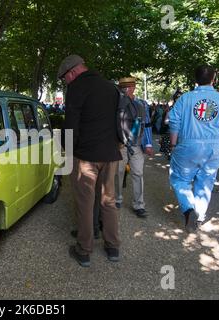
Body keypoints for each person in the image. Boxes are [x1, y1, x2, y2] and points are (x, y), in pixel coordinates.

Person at [58, 54, 122, 266]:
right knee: (108, 201)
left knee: (85, 203)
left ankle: (84, 250)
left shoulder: (76, 88)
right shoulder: (110, 87)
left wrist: (67, 151)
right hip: (111, 154)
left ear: (73, 72)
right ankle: (112, 248)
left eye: (64, 78)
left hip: (86, 156)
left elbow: (71, 125)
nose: (65, 82)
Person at [169, 65, 219, 232]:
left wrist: (173, 144)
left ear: (195, 79)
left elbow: (174, 122)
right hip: (214, 148)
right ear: (213, 79)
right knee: (206, 182)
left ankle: (188, 208)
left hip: (188, 146)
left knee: (180, 179)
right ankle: (199, 216)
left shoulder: (185, 99)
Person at [115, 77, 154, 218]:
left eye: (128, 87)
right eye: (123, 87)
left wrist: (148, 144)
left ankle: (139, 205)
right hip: (120, 145)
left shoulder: (141, 104)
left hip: (137, 145)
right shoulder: (116, 103)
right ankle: (117, 199)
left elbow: (147, 125)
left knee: (138, 173)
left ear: (133, 88)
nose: (125, 90)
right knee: (118, 173)